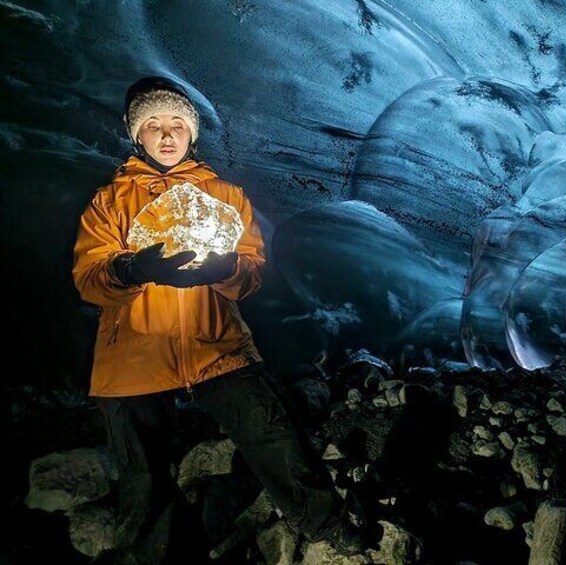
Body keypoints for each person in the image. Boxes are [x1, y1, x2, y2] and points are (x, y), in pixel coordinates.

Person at [72, 76, 369, 563]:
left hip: (217, 344)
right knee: (141, 472)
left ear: (192, 133)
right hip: (132, 353)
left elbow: (251, 273)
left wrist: (227, 268)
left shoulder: (225, 196)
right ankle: (157, 554)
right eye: (153, 125)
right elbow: (89, 278)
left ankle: (324, 523)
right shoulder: (109, 203)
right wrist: (132, 268)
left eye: (176, 124)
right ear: (136, 135)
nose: (167, 135)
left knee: (273, 433)